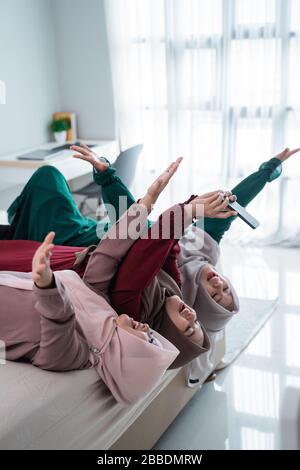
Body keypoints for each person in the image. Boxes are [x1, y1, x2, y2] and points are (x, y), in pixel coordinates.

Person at [0, 162, 184, 405]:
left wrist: (47, 285)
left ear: (127, 356)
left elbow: (59, 319)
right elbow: (106, 256)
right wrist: (146, 203)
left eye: (147, 340)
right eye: (153, 335)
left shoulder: (78, 356)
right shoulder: (103, 316)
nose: (147, 329)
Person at [178, 147, 300, 334]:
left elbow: (137, 222)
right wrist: (268, 170)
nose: (219, 284)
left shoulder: (165, 274)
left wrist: (187, 212)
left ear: (196, 297)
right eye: (226, 288)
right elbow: (231, 207)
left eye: (214, 295)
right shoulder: (203, 251)